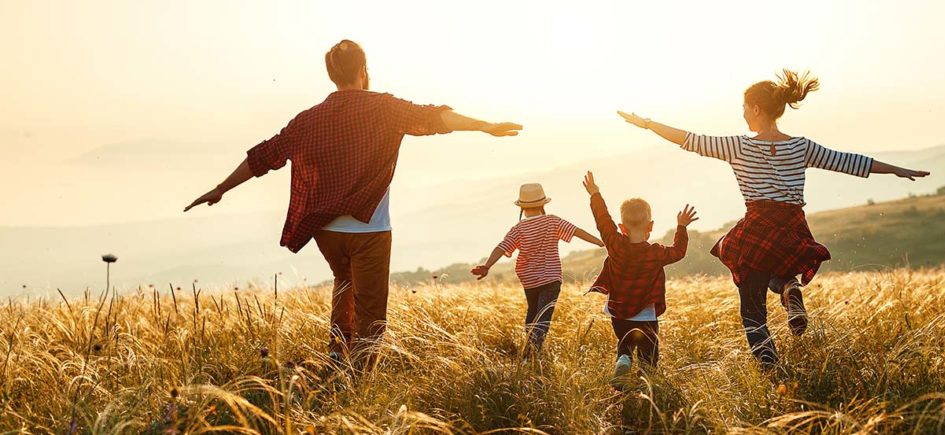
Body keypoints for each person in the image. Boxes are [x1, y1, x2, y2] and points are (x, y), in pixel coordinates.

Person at [183, 40, 523, 368]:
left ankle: (336, 355)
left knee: (344, 283)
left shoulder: (308, 119)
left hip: (325, 231)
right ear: (363, 70)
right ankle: (359, 378)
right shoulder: (385, 108)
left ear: (332, 75)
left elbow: (265, 156)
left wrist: (220, 188)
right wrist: (484, 127)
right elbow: (434, 118)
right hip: (370, 230)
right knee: (371, 310)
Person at [616, 68, 929, 370]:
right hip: (793, 227)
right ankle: (789, 290)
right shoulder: (801, 146)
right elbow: (848, 161)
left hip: (758, 226)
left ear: (755, 108)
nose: (742, 114)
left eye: (744, 108)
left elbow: (690, 139)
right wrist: (897, 170)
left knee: (752, 310)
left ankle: (770, 367)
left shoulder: (739, 146)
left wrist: (648, 124)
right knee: (779, 270)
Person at [581, 171, 695, 390]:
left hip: (618, 312)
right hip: (646, 313)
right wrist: (681, 227)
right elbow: (679, 251)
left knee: (625, 343)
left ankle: (623, 359)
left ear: (622, 227)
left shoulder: (615, 244)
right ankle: (646, 386)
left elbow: (602, 220)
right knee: (648, 354)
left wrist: (595, 194)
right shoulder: (656, 253)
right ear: (650, 226)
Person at [471, 183, 603, 358]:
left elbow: (502, 247)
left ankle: (528, 353)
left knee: (532, 314)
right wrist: (601, 242)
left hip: (529, 280)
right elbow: (577, 231)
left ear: (523, 208)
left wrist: (487, 266)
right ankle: (532, 355)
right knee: (543, 318)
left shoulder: (518, 229)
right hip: (551, 279)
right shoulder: (552, 221)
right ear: (543, 204)